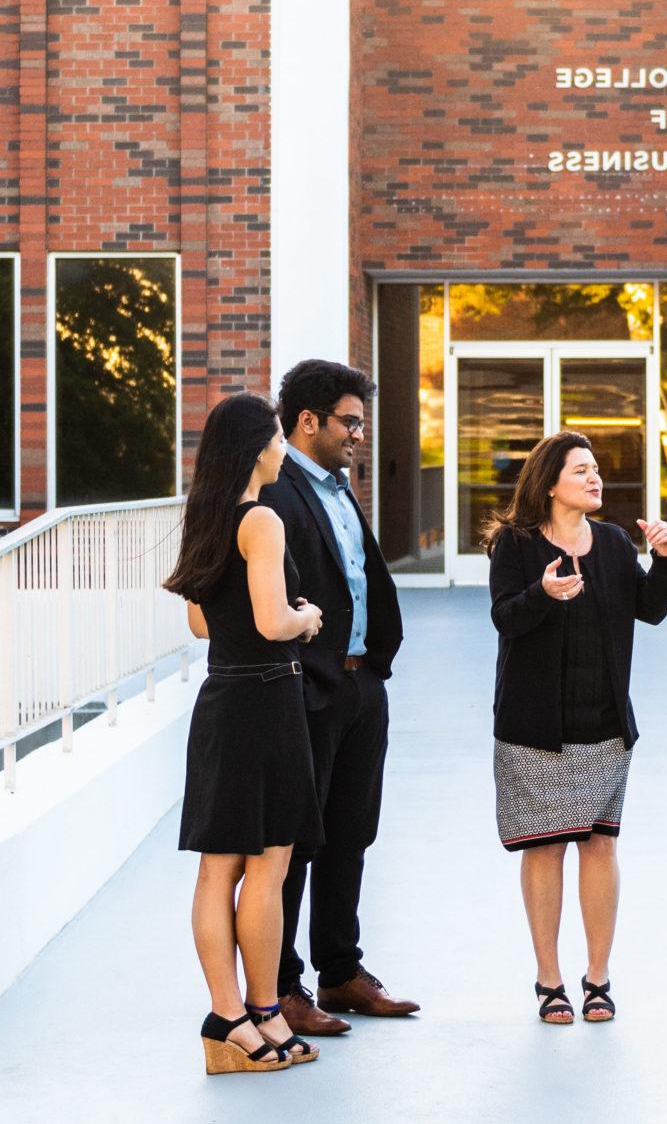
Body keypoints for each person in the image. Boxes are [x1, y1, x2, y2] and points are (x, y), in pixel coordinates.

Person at [485, 431, 667, 1025]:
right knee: (543, 849)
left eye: (596, 470)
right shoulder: (516, 546)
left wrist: (665, 560)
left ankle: (598, 977)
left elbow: (650, 608)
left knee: (600, 843)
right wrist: (543, 594)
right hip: (535, 728)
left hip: (604, 723)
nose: (595, 479)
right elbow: (505, 619)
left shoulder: (617, 544)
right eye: (581, 471)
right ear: (549, 484)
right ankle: (549, 979)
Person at [164, 393, 328, 1074]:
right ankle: (261, 1011)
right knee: (269, 864)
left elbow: (202, 626)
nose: (284, 445)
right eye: (276, 436)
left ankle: (228, 1018)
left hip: (221, 697)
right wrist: (306, 615)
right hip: (266, 698)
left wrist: (270, 613)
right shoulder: (261, 520)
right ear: (258, 446)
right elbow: (270, 623)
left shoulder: (205, 517)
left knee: (218, 866)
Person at [258, 359, 418, 1035]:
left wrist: (372, 667)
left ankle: (340, 971)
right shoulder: (277, 493)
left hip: (360, 684)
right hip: (309, 686)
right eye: (349, 422)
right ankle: (285, 985)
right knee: (299, 842)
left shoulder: (338, 488)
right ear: (308, 421)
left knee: (352, 832)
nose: (358, 434)